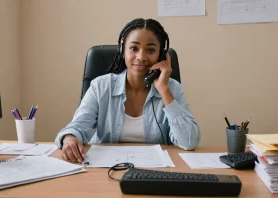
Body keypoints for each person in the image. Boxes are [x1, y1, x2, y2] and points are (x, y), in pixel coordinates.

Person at [55, 18, 201, 163]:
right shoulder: (101, 86)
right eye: (134, 48)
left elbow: (189, 141)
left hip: (156, 171)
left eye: (150, 50)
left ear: (161, 55)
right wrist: (70, 138)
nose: (141, 57)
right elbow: (77, 127)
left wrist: (163, 89)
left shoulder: (171, 88)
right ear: (122, 50)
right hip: (105, 168)